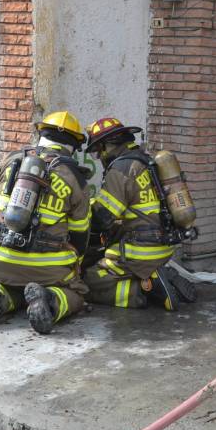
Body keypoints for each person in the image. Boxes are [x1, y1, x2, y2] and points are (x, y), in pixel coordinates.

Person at [0, 110, 91, 335]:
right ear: (74, 146)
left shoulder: (11, 160)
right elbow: (80, 233)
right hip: (47, 269)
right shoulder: (74, 178)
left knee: (11, 284)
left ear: (41, 134)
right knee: (77, 293)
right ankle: (50, 299)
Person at [82, 117, 196, 311]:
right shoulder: (146, 161)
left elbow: (103, 219)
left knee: (86, 281)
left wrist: (82, 209)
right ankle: (160, 275)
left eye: (97, 152)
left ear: (105, 147)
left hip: (139, 251)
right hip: (163, 246)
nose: (99, 158)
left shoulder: (120, 169)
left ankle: (145, 291)